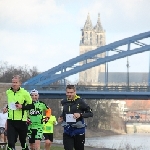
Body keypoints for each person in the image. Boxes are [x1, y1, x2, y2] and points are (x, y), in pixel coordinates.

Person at [58, 84, 93, 150]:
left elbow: (90, 113)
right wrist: (61, 117)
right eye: (68, 92)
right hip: (67, 131)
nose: (69, 94)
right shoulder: (64, 102)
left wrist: (80, 114)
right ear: (66, 92)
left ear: (75, 92)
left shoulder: (80, 101)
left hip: (78, 131)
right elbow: (64, 112)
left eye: (71, 92)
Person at [3, 75, 34, 150]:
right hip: (11, 121)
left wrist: (22, 106)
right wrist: (6, 108)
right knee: (10, 142)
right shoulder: (8, 92)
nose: (14, 84)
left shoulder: (25, 93)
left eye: (16, 82)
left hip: (21, 121)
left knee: (23, 141)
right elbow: (10, 103)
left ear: (20, 83)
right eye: (13, 82)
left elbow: (31, 106)